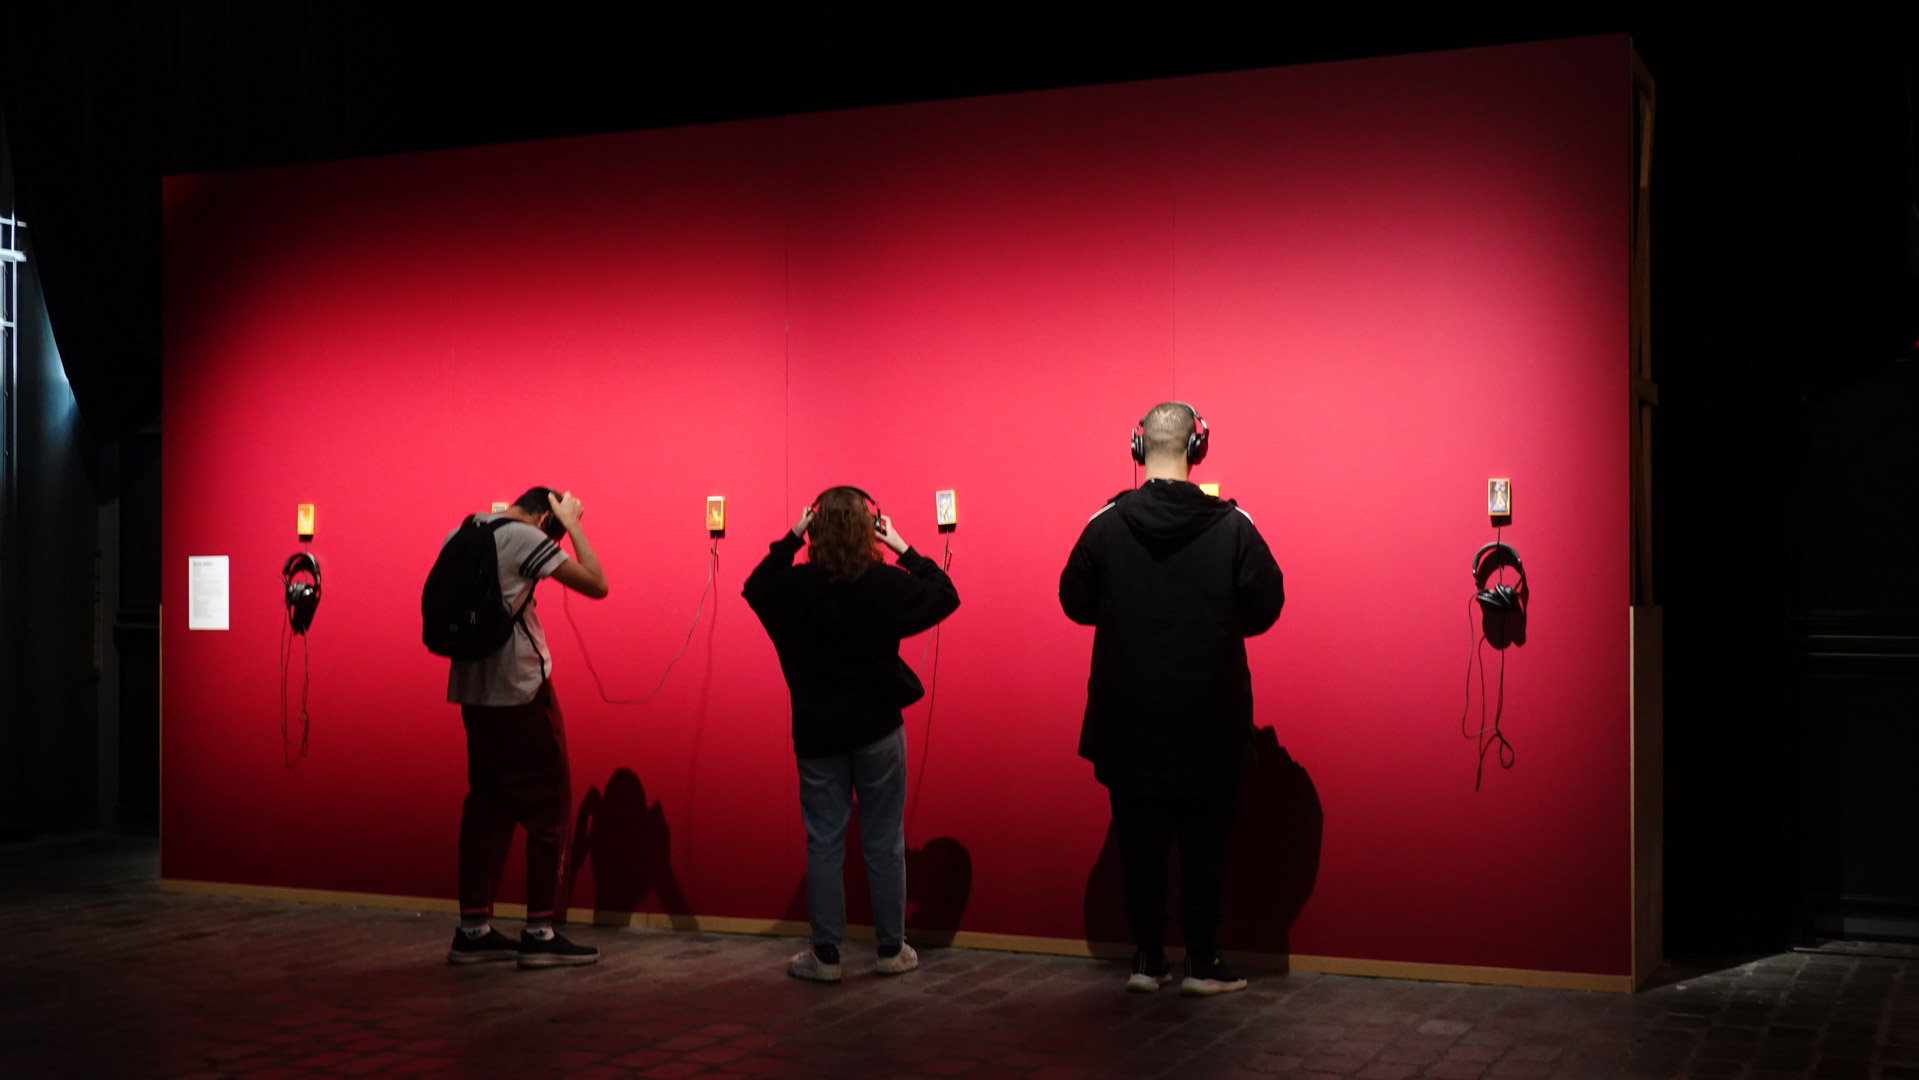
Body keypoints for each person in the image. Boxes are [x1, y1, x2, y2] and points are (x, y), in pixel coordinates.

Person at [1059, 402, 1284, 995]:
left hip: (1128, 718)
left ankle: (1146, 959)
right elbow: (1268, 603)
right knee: (1206, 843)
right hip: (1210, 716)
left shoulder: (1105, 524)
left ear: (1139, 449)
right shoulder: (1233, 526)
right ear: (1196, 448)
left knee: (1139, 842)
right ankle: (1202, 963)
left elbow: (1073, 600)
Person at [743, 487, 960, 982]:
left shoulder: (794, 587)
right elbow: (945, 594)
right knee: (884, 842)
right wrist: (903, 548)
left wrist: (791, 538)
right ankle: (890, 949)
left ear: (814, 531)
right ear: (870, 530)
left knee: (824, 842)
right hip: (878, 729)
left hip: (817, 734)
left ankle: (825, 956)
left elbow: (756, 585)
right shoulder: (884, 583)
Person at [444, 487, 610, 968]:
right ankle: (539, 932)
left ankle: (473, 930)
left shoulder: (461, 532)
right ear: (544, 517)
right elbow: (597, 583)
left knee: (485, 808)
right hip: (519, 692)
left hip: (471, 692)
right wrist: (572, 523)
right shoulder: (524, 537)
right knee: (549, 808)